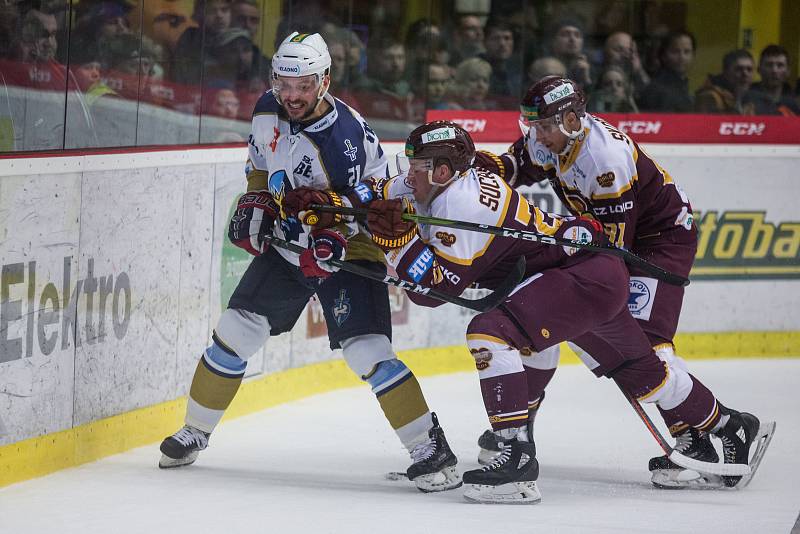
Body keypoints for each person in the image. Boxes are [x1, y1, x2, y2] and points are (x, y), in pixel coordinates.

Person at [357, 120, 769, 502]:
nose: (408, 175)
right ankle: (729, 423)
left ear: (443, 171)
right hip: (581, 276)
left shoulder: (463, 208)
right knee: (640, 374)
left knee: (490, 332)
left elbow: (434, 292)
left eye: (416, 167)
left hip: (581, 280)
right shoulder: (435, 182)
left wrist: (400, 243)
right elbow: (378, 190)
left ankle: (516, 458)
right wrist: (330, 205)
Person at [158, 31, 461, 493]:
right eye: (285, 83)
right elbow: (260, 162)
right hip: (289, 244)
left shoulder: (343, 137)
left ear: (325, 82)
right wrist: (258, 197)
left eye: (303, 85)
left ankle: (429, 447)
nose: (292, 95)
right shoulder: (266, 107)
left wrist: (334, 235)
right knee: (235, 331)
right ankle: (195, 431)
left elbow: (368, 207)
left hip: (352, 248)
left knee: (367, 352)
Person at [472, 76, 772, 488]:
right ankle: (695, 441)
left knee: (645, 347)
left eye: (544, 126)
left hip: (660, 242)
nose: (537, 135)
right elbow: (522, 162)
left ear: (572, 118)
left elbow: (611, 253)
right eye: (534, 126)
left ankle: (727, 426)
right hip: (621, 241)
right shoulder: (551, 134)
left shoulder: (605, 160)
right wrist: (495, 169)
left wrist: (580, 280)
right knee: (625, 342)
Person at [695, 49, 772, 114]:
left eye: (749, 69)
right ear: (726, 72)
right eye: (738, 69)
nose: (745, 74)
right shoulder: (710, 97)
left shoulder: (759, 99)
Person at [638, 31, 695, 113]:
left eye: (687, 51)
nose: (682, 57)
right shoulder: (656, 90)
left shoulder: (682, 85)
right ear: (663, 56)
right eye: (675, 51)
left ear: (693, 55)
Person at [751, 44, 799, 116]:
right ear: (759, 69)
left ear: (788, 71)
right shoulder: (746, 99)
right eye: (769, 65)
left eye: (780, 65)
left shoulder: (796, 102)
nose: (774, 70)